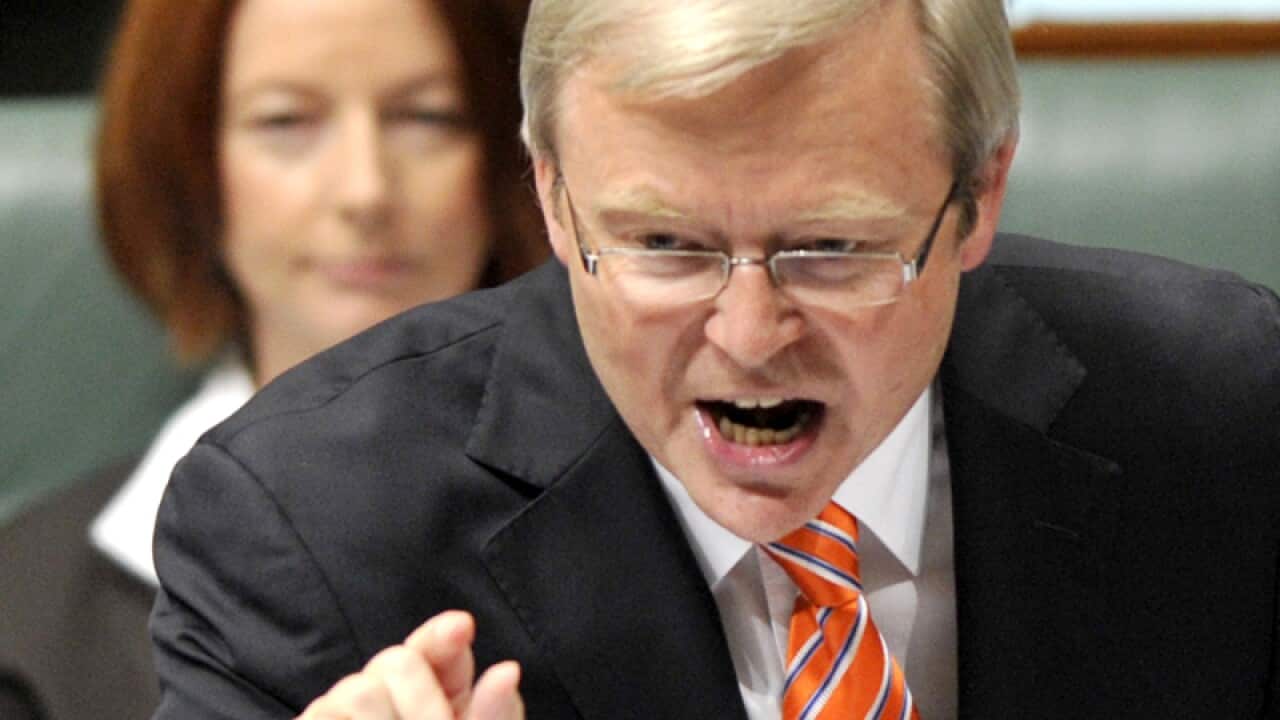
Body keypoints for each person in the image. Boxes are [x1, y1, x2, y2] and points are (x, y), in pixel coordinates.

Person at [150, 0, 1280, 718]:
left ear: (976, 194)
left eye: (831, 249)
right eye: (664, 247)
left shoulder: (1230, 416)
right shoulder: (309, 529)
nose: (747, 338)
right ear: (552, 196)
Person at [0, 0, 543, 718]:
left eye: (428, 117)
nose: (365, 191)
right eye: (286, 122)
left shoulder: (654, 527)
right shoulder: (28, 612)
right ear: (192, 166)